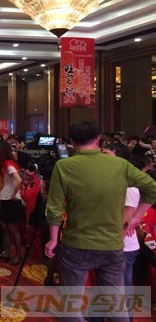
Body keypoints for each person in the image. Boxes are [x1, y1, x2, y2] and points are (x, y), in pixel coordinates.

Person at [45, 121, 156, 322]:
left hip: (76, 244)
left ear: (72, 142)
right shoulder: (119, 165)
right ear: (98, 140)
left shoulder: (64, 166)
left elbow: (54, 208)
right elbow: (151, 188)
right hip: (112, 245)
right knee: (117, 306)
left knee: (71, 307)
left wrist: (53, 239)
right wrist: (136, 217)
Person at [0, 141, 23, 265]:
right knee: (5, 227)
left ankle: (18, 255)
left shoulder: (8, 163)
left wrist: (13, 194)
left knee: (12, 228)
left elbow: (18, 180)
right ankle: (7, 253)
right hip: (5, 198)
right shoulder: (7, 163)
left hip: (11, 200)